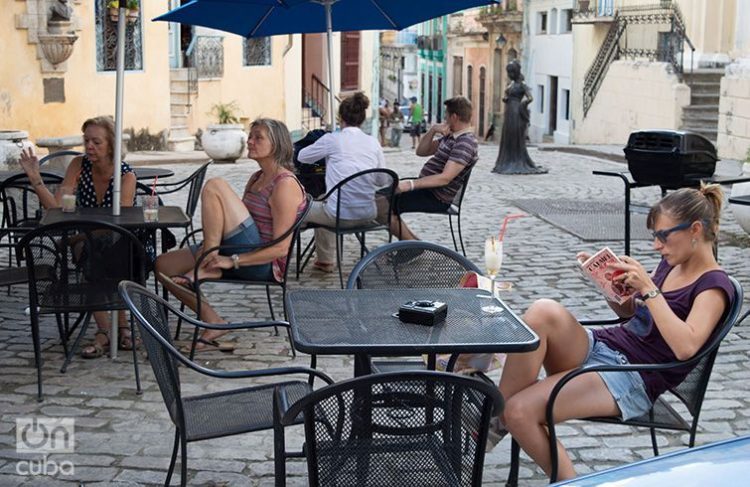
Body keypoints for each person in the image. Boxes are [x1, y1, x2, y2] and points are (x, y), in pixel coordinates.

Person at [492, 185, 734, 481]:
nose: (657, 245)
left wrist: (649, 288)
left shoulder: (713, 286)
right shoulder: (673, 263)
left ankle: (508, 427)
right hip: (605, 348)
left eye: (663, 235)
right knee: (544, 310)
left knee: (519, 412)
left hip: (632, 376)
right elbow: (633, 316)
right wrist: (607, 284)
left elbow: (685, 347)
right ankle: (497, 417)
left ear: (695, 229)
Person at [156, 118, 306, 353]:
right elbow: (235, 221)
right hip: (235, 248)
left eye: (258, 137)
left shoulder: (284, 185)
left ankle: (209, 259)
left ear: (276, 145)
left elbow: (280, 249)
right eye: (250, 136)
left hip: (260, 263)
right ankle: (213, 321)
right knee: (162, 265)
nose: (250, 141)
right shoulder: (257, 177)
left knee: (216, 185)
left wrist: (231, 260)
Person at [18, 115, 139, 358]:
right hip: (86, 241)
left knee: (107, 250)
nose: (89, 147)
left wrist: (75, 239)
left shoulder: (126, 176)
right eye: (86, 141)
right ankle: (108, 329)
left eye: (97, 142)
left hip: (120, 240)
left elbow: (121, 224)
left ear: (112, 145)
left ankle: (117, 327)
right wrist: (36, 179)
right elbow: (57, 210)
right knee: (92, 251)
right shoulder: (78, 166)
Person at [297, 92, 388, 273]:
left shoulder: (333, 139)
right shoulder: (372, 142)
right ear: (362, 118)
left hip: (339, 216)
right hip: (368, 213)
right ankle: (325, 259)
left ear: (340, 118)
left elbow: (302, 156)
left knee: (302, 207)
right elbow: (382, 180)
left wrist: (327, 156)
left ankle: (323, 260)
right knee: (327, 200)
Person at [384, 96, 478, 241]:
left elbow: (445, 178)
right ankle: (413, 245)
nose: (445, 118)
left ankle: (412, 247)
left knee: (384, 206)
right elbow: (421, 151)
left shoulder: (465, 143)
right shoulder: (451, 137)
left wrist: (410, 184)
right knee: (383, 197)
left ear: (454, 117)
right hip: (427, 189)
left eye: (446, 115)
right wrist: (433, 130)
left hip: (437, 197)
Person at [493, 60, 547, 174]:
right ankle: (506, 160)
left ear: (515, 72)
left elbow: (530, 98)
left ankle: (515, 159)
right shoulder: (511, 85)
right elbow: (507, 94)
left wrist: (523, 104)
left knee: (515, 134)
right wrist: (506, 99)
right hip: (509, 111)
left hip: (517, 111)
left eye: (510, 72)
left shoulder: (522, 85)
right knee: (508, 134)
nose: (509, 75)